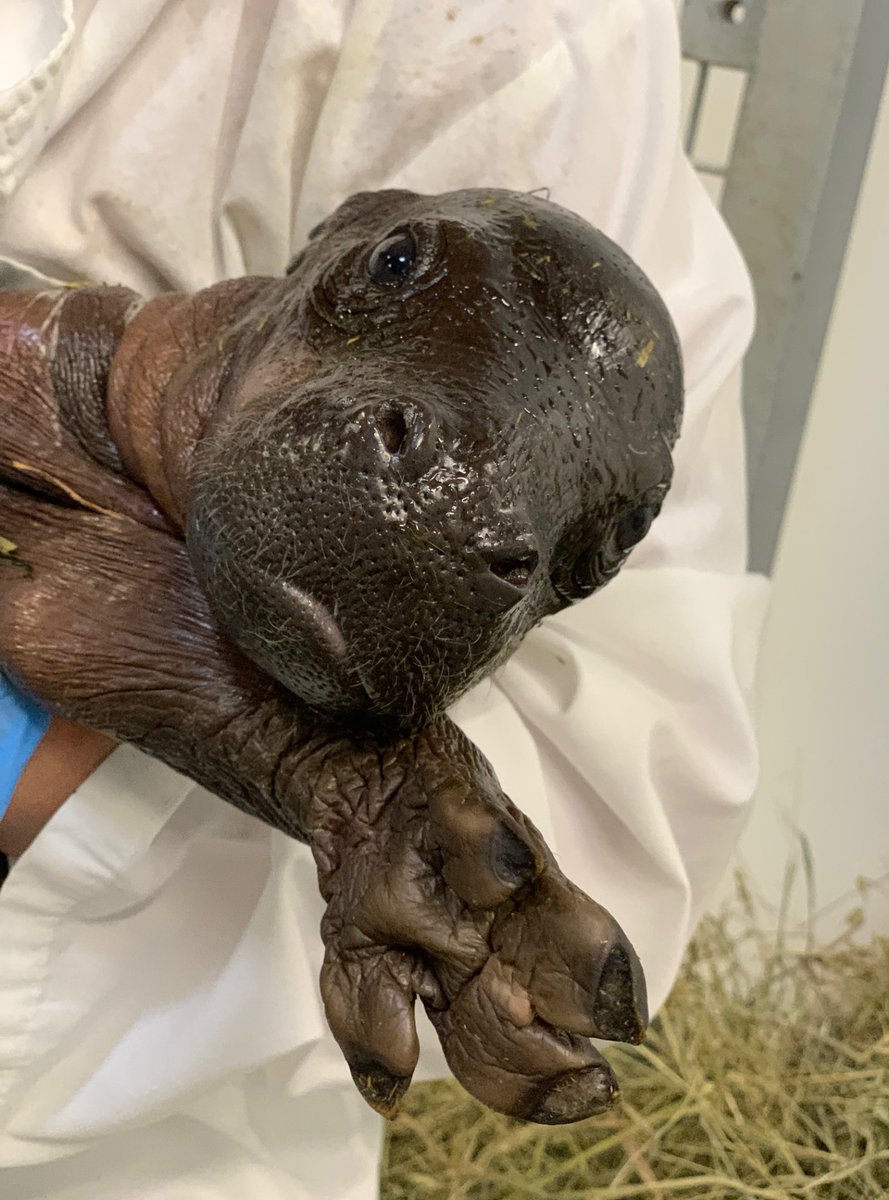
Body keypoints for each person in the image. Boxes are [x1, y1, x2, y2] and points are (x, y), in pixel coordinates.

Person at [0, 1, 769, 1196]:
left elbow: (628, 792)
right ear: (338, 238)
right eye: (397, 269)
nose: (466, 493)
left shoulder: (530, 41)